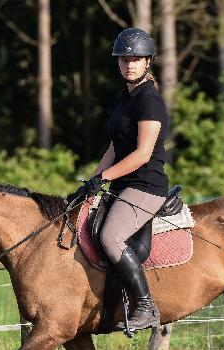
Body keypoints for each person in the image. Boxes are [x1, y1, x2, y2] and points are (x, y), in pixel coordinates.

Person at [67, 27, 170, 333]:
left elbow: (141, 154)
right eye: (124, 59)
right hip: (122, 185)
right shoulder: (124, 98)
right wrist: (93, 182)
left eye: (136, 58)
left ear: (148, 62)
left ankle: (146, 306)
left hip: (146, 186)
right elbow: (114, 147)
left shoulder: (150, 101)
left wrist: (105, 178)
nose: (129, 64)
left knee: (111, 238)